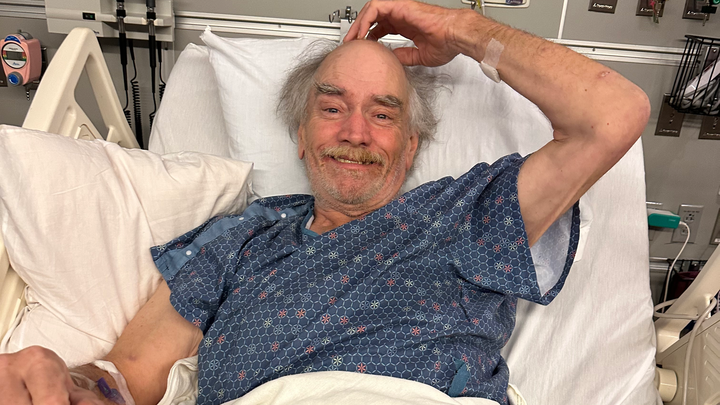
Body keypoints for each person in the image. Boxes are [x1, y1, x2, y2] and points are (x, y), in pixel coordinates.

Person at [0, 1, 650, 404]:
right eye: (332, 108)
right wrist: (64, 382)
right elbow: (125, 378)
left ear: (410, 145)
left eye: (383, 113)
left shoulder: (465, 213)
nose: (356, 132)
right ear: (302, 135)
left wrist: (462, 28)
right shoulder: (238, 238)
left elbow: (613, 115)